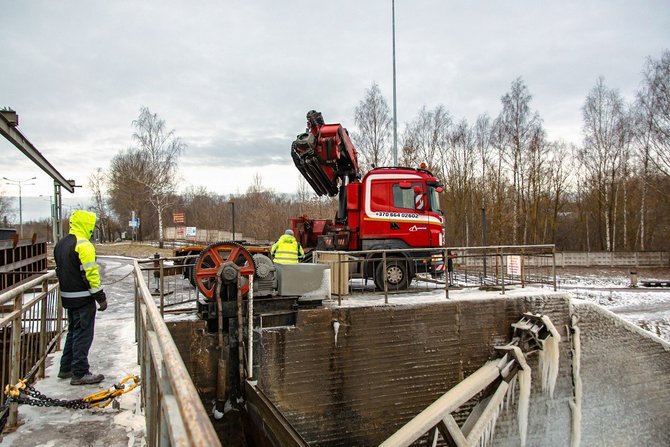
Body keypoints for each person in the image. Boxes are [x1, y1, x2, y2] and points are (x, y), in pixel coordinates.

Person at [54, 210, 107, 385]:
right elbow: (90, 274)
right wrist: (100, 297)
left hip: (67, 298)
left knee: (73, 332)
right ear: (87, 225)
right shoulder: (83, 245)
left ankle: (66, 367)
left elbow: (59, 271)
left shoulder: (61, 244)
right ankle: (80, 372)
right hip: (83, 298)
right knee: (84, 334)